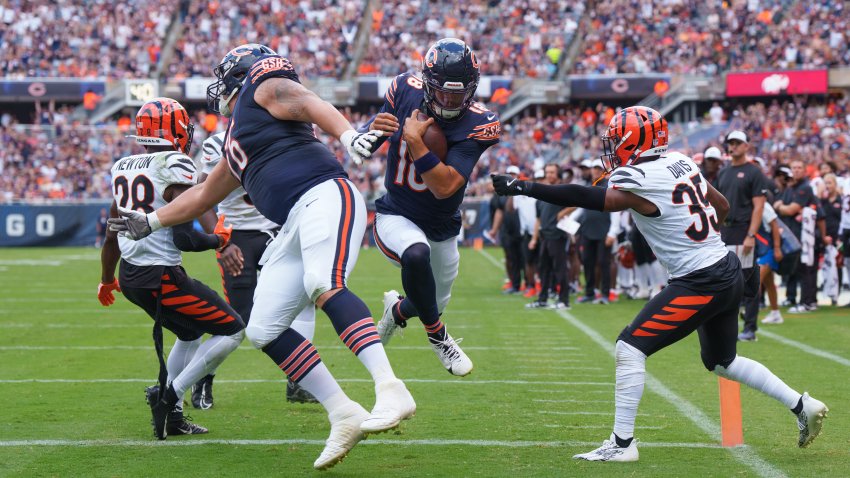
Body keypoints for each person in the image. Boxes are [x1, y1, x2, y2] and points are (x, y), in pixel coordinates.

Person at [109, 44, 415, 471]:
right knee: (264, 328)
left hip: (325, 194)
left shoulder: (263, 85)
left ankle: (389, 386)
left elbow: (307, 100)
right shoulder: (237, 135)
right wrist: (152, 221)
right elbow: (200, 196)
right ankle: (343, 412)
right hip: (290, 221)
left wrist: (348, 135)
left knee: (323, 284)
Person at [492, 105, 828, 462]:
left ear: (635, 140)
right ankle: (801, 405)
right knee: (722, 361)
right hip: (723, 267)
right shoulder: (681, 161)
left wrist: (526, 187)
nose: (612, 146)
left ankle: (622, 445)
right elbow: (723, 206)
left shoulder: (641, 178)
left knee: (629, 347)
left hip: (702, 279)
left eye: (617, 139)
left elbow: (591, 198)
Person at [98, 97, 246, 440]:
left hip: (132, 276)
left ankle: (173, 417)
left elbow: (111, 232)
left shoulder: (124, 165)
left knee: (191, 333)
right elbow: (184, 238)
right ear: (173, 128)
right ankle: (167, 395)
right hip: (160, 275)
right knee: (233, 330)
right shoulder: (173, 163)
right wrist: (218, 240)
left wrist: (106, 279)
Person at [367, 38, 501, 377]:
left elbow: (445, 187)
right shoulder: (403, 88)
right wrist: (366, 134)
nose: (449, 101)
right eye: (442, 92)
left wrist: (413, 140)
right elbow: (379, 128)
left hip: (442, 223)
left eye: (457, 94)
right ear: (427, 83)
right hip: (395, 213)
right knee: (415, 254)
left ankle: (396, 312)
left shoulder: (480, 122)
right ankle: (439, 337)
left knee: (430, 302)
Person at [189, 131, 318, 408]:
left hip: (275, 231)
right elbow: (202, 197)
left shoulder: (276, 134)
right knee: (236, 321)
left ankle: (299, 380)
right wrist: (222, 243)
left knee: (306, 296)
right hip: (236, 236)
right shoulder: (218, 143)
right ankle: (202, 376)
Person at [716, 130, 770, 342]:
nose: (734, 146)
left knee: (747, 278)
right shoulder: (724, 172)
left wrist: (751, 234)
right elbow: (719, 205)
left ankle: (750, 327)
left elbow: (759, 207)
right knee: (724, 278)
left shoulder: (754, 172)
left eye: (738, 143)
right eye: (731, 142)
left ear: (747, 146)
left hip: (742, 230)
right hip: (725, 231)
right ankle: (726, 324)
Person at [774, 159, 830, 313]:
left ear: (805, 170)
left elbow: (791, 209)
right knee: (803, 269)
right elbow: (778, 205)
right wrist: (782, 207)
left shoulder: (804, 188)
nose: (797, 170)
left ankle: (806, 302)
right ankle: (808, 301)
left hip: (808, 236)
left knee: (806, 268)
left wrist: (782, 207)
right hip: (797, 235)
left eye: (800, 167)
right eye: (794, 167)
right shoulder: (791, 187)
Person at [526, 163, 571, 309]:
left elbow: (578, 202)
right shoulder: (543, 192)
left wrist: (564, 212)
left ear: (558, 174)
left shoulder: (564, 189)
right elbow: (538, 219)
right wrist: (534, 238)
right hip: (545, 236)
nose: (550, 175)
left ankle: (564, 300)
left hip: (558, 235)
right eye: (548, 172)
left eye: (552, 172)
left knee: (560, 268)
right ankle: (542, 298)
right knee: (543, 269)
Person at [488, 165, 523, 294]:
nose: (511, 176)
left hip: (522, 230)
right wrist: (494, 230)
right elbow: (499, 211)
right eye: (509, 174)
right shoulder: (502, 192)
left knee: (524, 258)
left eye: (514, 174)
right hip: (507, 230)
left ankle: (527, 284)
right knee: (511, 258)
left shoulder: (523, 189)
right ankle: (514, 283)